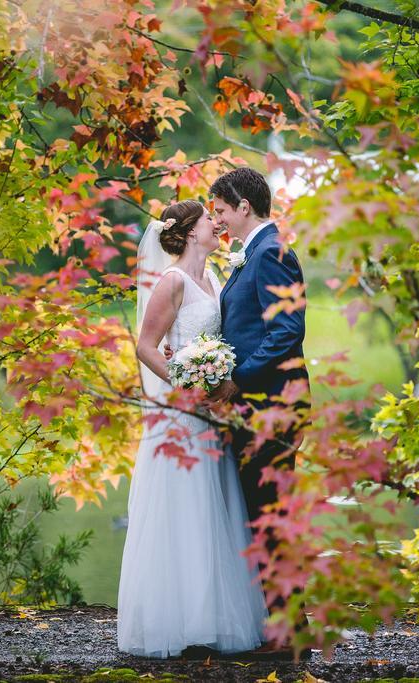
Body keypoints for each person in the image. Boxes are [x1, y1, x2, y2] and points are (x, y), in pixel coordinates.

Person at [116, 199, 268, 659]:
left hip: (210, 417)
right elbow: (146, 346)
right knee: (182, 511)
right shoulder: (173, 281)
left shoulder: (215, 278)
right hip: (181, 416)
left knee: (213, 509)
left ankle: (212, 617)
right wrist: (185, 383)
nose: (216, 224)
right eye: (208, 219)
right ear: (187, 232)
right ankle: (176, 621)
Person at [207, 167, 310, 659]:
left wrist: (238, 378)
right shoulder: (257, 254)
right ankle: (290, 625)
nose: (219, 220)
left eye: (222, 210)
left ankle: (291, 632)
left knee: (270, 515)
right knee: (265, 514)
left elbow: (287, 331)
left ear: (243, 205)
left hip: (271, 404)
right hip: (259, 405)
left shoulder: (270, 253)